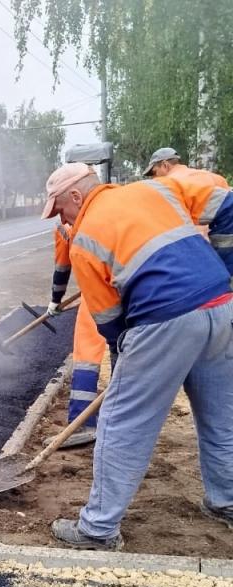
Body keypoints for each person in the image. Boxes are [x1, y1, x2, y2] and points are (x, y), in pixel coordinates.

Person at [41, 162, 233, 550]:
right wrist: (224, 269)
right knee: (222, 414)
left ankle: (97, 529)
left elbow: (110, 321)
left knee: (122, 422)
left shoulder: (84, 240)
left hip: (165, 318)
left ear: (77, 195)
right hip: (221, 307)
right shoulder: (156, 189)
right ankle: (226, 500)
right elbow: (228, 205)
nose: (62, 220)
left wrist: (122, 368)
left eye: (61, 210)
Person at [47, 220, 106, 447]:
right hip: (132, 288)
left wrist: (55, 300)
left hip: (97, 293)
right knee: (125, 351)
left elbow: (62, 268)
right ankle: (120, 424)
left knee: (86, 356)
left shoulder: (64, 228)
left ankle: (83, 424)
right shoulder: (113, 210)